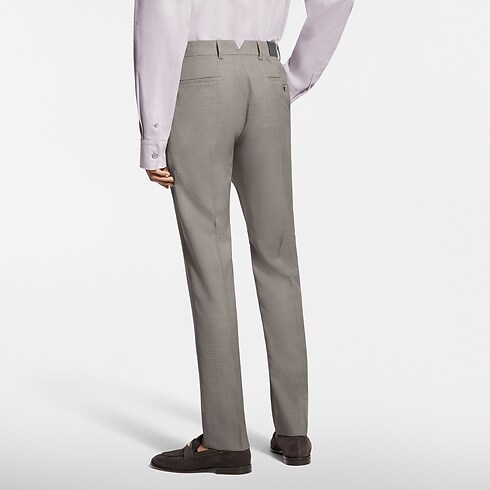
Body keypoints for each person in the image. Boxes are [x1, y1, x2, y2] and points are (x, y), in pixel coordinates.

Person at [133, 0, 354, 475]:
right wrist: (292, 76)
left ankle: (225, 441)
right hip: (267, 72)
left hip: (200, 78)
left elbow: (162, 13)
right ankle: (294, 433)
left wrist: (153, 135)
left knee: (210, 261)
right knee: (278, 256)